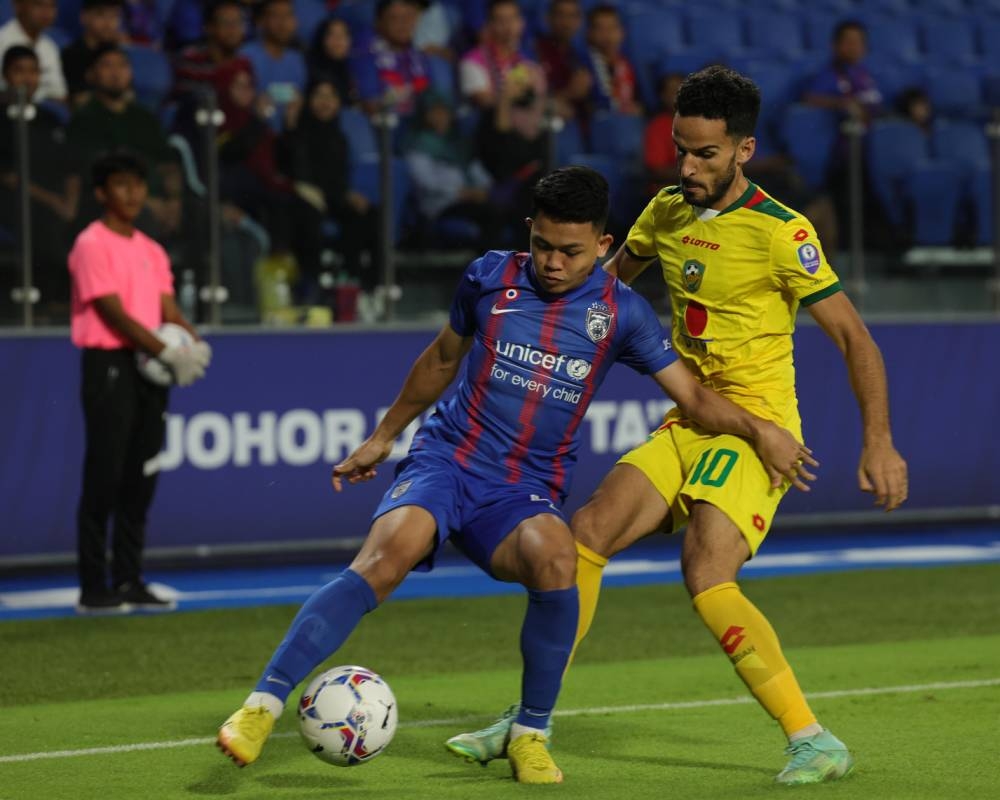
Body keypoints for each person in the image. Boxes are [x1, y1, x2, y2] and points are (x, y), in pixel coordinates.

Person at [215, 165, 812, 784]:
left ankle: (529, 733)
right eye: (543, 245)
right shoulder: (489, 276)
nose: (552, 262)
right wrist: (383, 438)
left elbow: (693, 397)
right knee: (388, 555)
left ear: (603, 245)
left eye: (571, 251)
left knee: (559, 558)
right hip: (448, 460)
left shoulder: (622, 314)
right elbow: (441, 359)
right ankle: (261, 706)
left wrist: (760, 430)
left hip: (523, 488)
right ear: (529, 230)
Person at [446, 66, 909, 787]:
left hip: (757, 430)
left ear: (744, 150)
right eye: (680, 150)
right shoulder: (664, 211)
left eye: (705, 154)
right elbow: (601, 294)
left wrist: (878, 441)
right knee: (584, 536)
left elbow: (856, 339)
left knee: (706, 569)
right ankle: (529, 719)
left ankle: (813, 739)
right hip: (689, 419)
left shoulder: (782, 233)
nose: (687, 168)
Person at [70, 150, 211, 614]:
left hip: (152, 368)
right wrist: (166, 351)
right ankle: (94, 587)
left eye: (137, 184)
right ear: (101, 193)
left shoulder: (151, 248)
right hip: (111, 363)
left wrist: (192, 341)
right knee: (104, 475)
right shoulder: (91, 243)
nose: (132, 193)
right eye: (121, 184)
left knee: (141, 474)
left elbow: (166, 307)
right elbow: (112, 311)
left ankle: (130, 579)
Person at [67, 44, 183, 241]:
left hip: (157, 199)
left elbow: (168, 165)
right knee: (141, 218)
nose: (116, 73)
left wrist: (174, 201)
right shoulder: (84, 120)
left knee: (201, 213)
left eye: (122, 66)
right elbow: (97, 174)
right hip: (115, 202)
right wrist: (145, 201)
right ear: (91, 75)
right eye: (107, 66)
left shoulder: (145, 118)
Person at [0, 46, 80, 317]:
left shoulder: (50, 119)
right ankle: (46, 303)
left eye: (33, 71)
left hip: (56, 199)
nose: (27, 78)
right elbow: (8, 176)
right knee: (39, 218)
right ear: (6, 76)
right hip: (16, 198)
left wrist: (71, 203)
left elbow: (71, 167)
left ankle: (79, 299)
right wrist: (54, 202)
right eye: (19, 71)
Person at [353, 0, 430, 118]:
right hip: (384, 123)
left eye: (407, 18)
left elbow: (432, 98)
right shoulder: (366, 55)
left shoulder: (419, 56)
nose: (403, 24)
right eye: (394, 18)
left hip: (419, 122)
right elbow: (370, 105)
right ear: (379, 23)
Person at [239, 0, 307, 131]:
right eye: (276, 16)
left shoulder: (297, 60)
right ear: (262, 21)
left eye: (288, 15)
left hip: (289, 136)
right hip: (251, 134)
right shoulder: (245, 57)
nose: (283, 23)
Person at [534, 0, 591, 123]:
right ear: (548, 18)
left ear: (579, 22)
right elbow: (529, 102)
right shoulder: (536, 51)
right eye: (560, 15)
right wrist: (568, 93)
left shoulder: (580, 57)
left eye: (572, 16)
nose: (566, 23)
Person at [0, 0, 67, 102]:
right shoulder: (2, 41)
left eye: (52, 6)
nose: (46, 12)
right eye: (38, 4)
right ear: (18, 5)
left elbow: (60, 94)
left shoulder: (50, 47)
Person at [61, 0, 124, 108]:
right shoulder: (71, 55)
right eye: (101, 15)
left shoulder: (116, 53)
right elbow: (77, 99)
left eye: (114, 16)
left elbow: (128, 95)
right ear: (84, 17)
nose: (108, 23)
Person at [584, 3, 640, 117]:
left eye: (612, 28)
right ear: (589, 33)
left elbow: (640, 104)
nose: (607, 34)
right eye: (600, 29)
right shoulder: (582, 66)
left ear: (622, 32)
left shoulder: (630, 66)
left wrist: (639, 109)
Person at [305, 17, 357, 105]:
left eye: (343, 34)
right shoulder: (312, 69)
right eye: (332, 35)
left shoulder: (350, 67)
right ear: (322, 39)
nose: (339, 40)